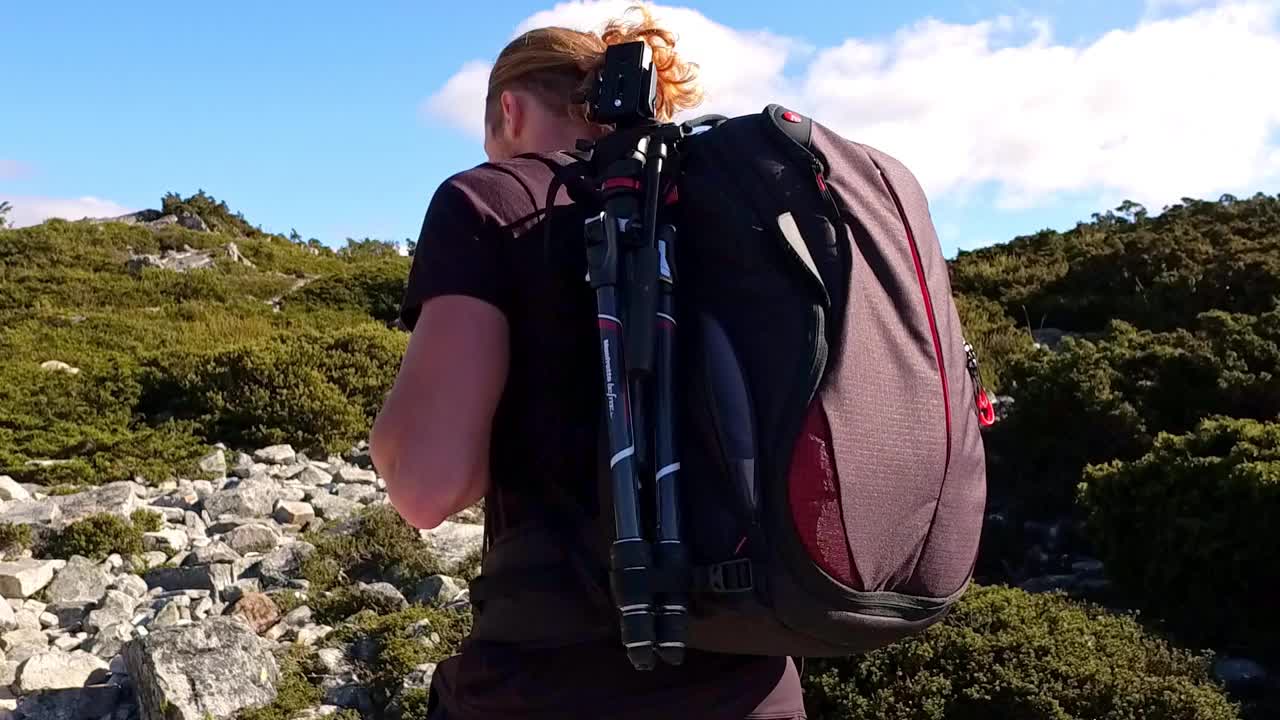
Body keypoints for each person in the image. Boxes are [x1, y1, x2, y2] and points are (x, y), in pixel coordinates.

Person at [370, 7, 807, 719]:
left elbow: (427, 489)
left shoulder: (487, 199)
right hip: (756, 683)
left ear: (508, 110)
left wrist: (387, 438)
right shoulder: (716, 206)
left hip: (556, 682)